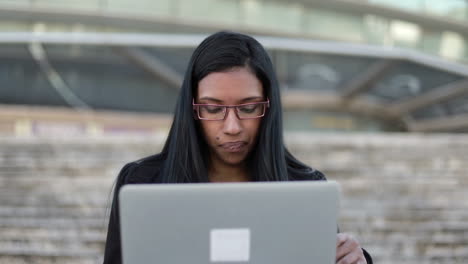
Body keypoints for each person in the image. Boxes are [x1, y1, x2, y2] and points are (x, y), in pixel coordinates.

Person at [103, 31, 372, 264]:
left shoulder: (306, 187)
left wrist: (356, 258)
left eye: (248, 107)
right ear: (191, 108)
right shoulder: (142, 183)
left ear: (269, 107)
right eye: (212, 108)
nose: (232, 126)